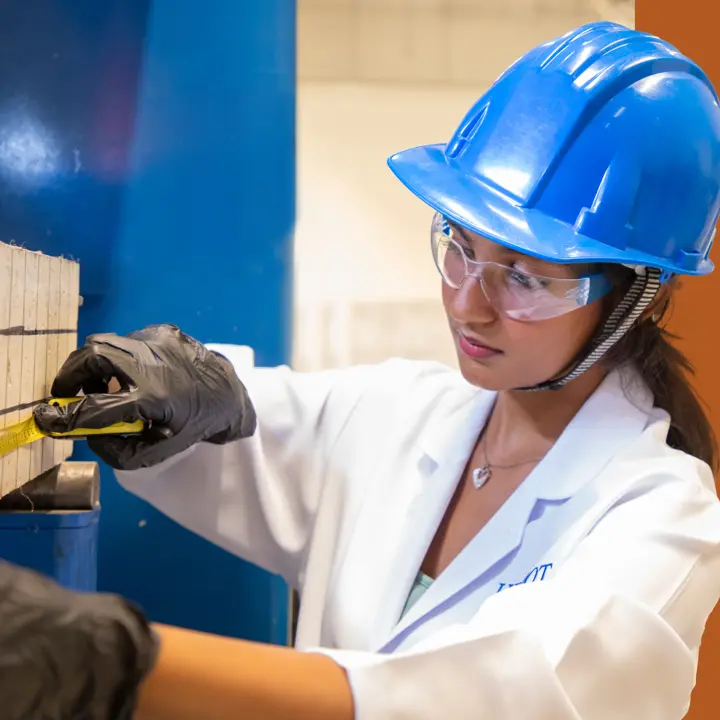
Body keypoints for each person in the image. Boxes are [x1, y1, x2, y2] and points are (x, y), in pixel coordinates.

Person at [4, 19, 720, 720]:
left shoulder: (661, 518)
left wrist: (119, 664)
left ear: (639, 295)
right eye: (460, 246)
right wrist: (170, 386)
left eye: (526, 278)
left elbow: (498, 699)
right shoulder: (404, 413)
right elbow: (261, 419)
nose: (468, 305)